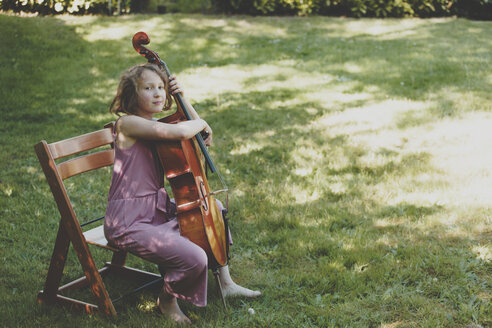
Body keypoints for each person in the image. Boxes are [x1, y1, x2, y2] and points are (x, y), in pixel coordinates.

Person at [104, 63, 260, 324]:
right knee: (195, 257)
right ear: (132, 94)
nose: (157, 93)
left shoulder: (154, 123)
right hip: (129, 221)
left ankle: (226, 283)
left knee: (214, 209)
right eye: (148, 88)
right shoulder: (128, 124)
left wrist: (183, 100)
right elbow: (181, 130)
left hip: (155, 211)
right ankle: (166, 301)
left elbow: (202, 136)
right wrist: (200, 122)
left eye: (161, 88)